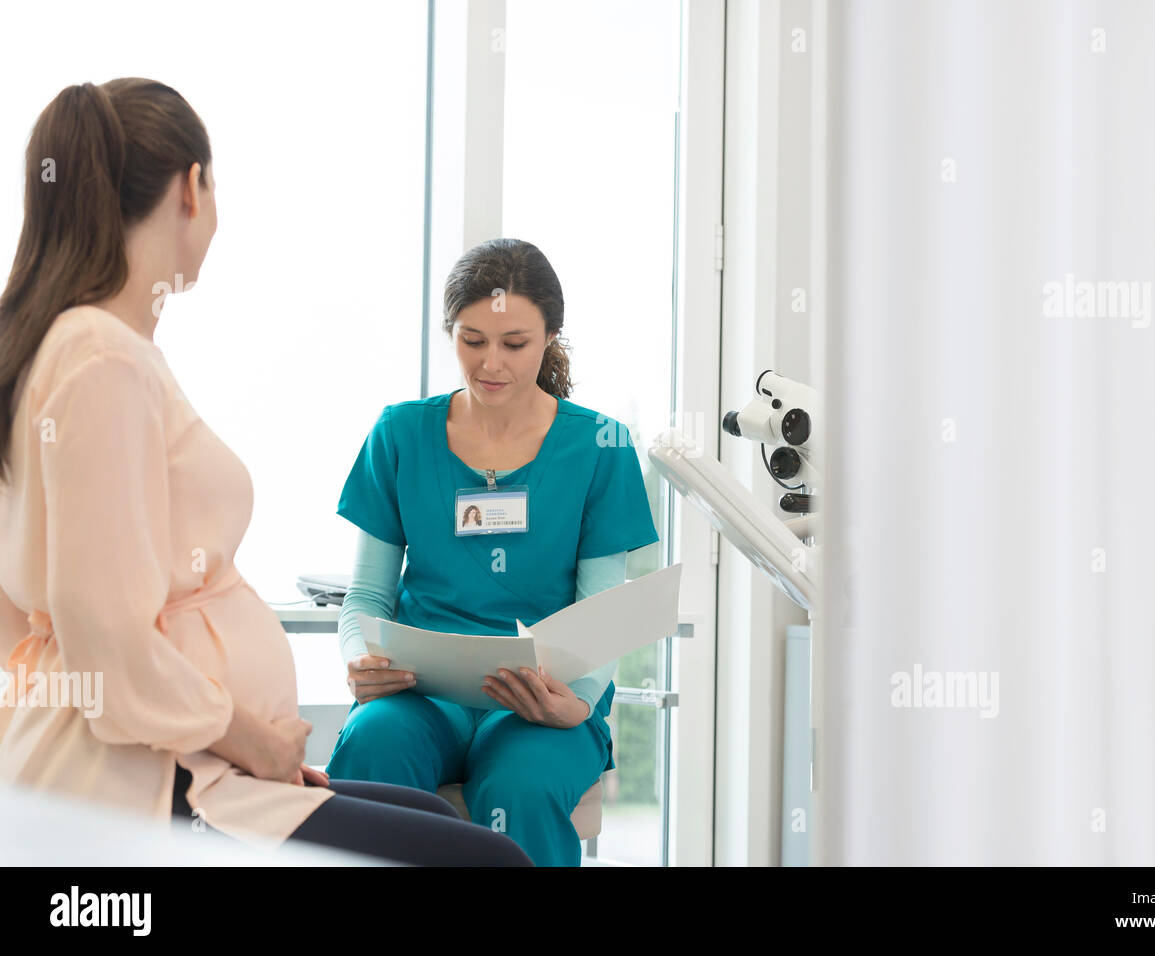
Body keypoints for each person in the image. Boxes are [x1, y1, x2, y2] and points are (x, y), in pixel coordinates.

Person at [0, 78, 530, 866]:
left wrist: (248, 752)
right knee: (490, 861)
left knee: (430, 816)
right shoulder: (98, 358)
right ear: (192, 186)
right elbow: (105, 644)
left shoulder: (81, 348)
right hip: (146, 782)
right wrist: (251, 742)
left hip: (184, 763)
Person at [326, 238, 660, 866]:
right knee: (374, 747)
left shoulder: (600, 447)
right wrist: (359, 658)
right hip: (423, 693)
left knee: (521, 786)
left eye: (514, 344)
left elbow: (602, 615)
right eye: (472, 340)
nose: (491, 364)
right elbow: (366, 596)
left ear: (550, 338)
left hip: (546, 696)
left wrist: (580, 700)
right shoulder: (399, 434)